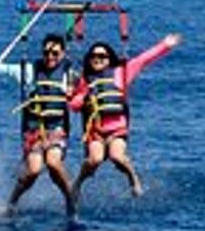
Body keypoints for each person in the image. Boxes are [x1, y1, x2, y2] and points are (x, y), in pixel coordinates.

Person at [0, 32, 80, 218]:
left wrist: (75, 93)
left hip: (57, 129)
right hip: (33, 129)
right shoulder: (28, 71)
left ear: (63, 54)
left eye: (55, 53)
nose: (50, 57)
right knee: (33, 171)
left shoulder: (70, 75)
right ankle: (13, 202)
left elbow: (86, 91)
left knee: (53, 163)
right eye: (47, 52)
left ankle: (70, 200)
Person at [71, 32, 182, 200]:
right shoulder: (85, 80)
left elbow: (143, 59)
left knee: (117, 157)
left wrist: (165, 45)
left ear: (109, 58)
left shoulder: (121, 73)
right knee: (94, 160)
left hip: (116, 130)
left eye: (102, 56)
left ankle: (133, 179)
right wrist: (81, 98)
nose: (97, 59)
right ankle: (78, 183)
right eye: (93, 56)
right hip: (95, 132)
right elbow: (74, 105)